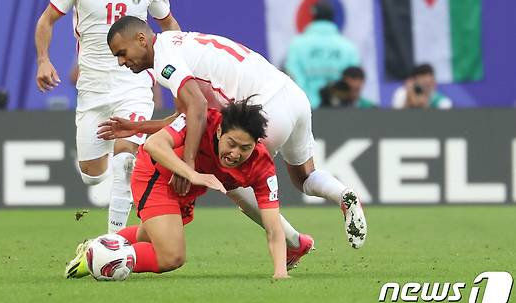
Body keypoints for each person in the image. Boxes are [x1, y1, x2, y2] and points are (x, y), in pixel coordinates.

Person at [103, 17, 368, 249]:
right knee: (304, 177)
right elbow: (184, 117)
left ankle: (293, 243)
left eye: (122, 52)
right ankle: (343, 195)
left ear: (141, 39)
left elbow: (197, 106)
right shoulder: (176, 42)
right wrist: (137, 127)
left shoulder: (164, 61)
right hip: (292, 96)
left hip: (263, 110)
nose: (121, 61)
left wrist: (189, 164)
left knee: (229, 176)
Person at [34, 0, 181, 234]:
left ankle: (113, 241)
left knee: (125, 159)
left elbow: (169, 24)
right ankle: (109, 180)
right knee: (92, 172)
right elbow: (47, 19)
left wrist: (174, 69)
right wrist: (43, 59)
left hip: (134, 84)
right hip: (92, 88)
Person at [66, 99, 315, 280]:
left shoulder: (262, 167)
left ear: (256, 145)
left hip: (185, 189)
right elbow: (154, 145)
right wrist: (191, 173)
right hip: (155, 173)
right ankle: (100, 259)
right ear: (219, 130)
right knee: (171, 256)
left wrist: (280, 273)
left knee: (149, 235)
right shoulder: (203, 120)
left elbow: (273, 227)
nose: (235, 154)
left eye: (245, 148)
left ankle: (95, 246)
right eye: (231, 143)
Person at [284, 0, 360, 108]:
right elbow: (353, 79)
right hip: (340, 110)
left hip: (306, 108)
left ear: (313, 17)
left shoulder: (297, 45)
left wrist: (309, 100)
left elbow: (294, 76)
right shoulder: (348, 47)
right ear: (333, 17)